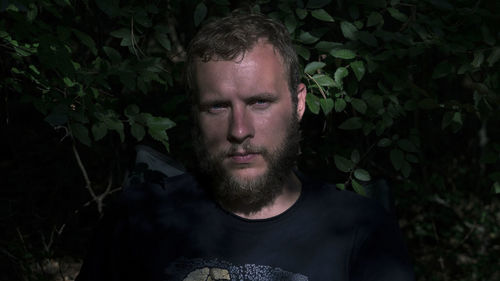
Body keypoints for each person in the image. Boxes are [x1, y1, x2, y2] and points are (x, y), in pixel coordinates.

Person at [76, 13, 415, 281]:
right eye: (217, 107)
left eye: (259, 103)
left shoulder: (361, 230)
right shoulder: (139, 219)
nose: (239, 130)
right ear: (195, 112)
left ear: (299, 103)